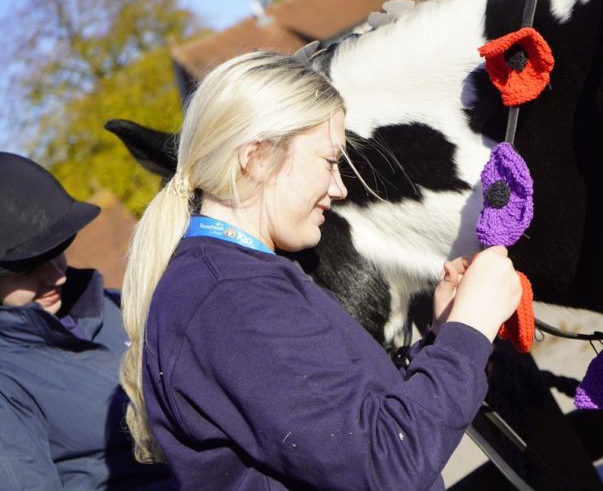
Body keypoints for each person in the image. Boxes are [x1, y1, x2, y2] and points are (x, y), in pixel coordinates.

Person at [120, 51, 522, 490]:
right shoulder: (229, 301)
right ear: (255, 157)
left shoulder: (237, 281)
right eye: (329, 162)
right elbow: (386, 466)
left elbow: (353, 429)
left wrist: (444, 340)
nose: (339, 187)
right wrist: (470, 328)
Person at [0, 152, 173, 489]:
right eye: (29, 269)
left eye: (56, 254)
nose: (56, 277)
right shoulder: (7, 380)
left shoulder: (118, 307)